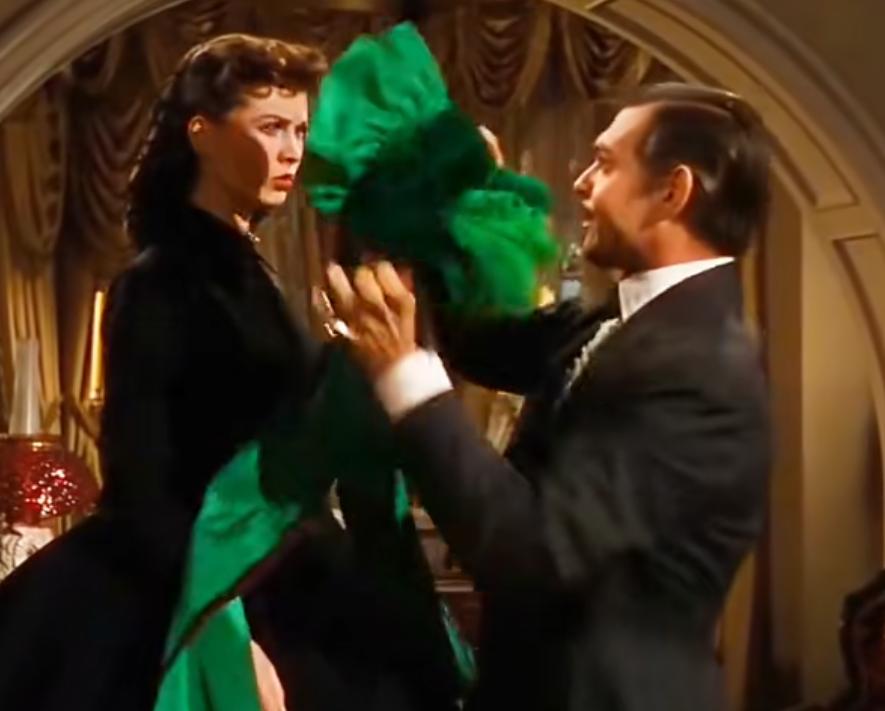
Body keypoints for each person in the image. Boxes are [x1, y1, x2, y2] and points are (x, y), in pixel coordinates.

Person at [0, 33, 462, 711]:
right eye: (270, 127)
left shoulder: (253, 272)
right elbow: (142, 482)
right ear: (202, 134)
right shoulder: (159, 281)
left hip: (282, 568)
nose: (292, 149)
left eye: (299, 129)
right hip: (198, 582)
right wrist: (216, 627)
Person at [326, 82, 773, 711]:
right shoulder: (630, 322)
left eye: (606, 163)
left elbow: (533, 555)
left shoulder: (699, 367)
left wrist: (401, 370)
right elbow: (485, 344)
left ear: (672, 192)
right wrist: (468, 206)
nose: (582, 182)